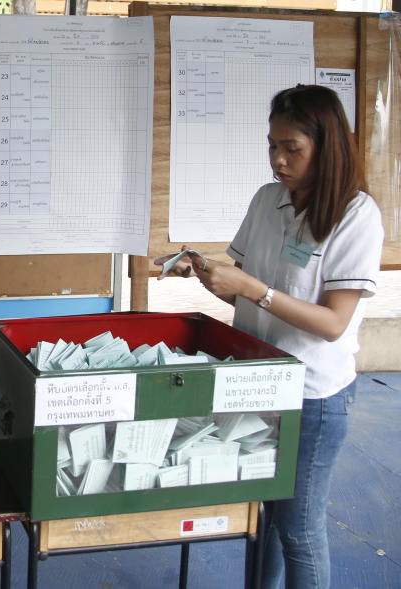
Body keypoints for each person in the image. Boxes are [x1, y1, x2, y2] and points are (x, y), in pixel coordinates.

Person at [155, 85, 383, 589]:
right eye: (272, 146)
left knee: (298, 529)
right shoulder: (268, 200)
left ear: (328, 147)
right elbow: (245, 291)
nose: (279, 160)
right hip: (256, 384)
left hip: (312, 396)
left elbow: (332, 323)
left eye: (292, 149)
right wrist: (204, 272)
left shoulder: (356, 215)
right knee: (264, 520)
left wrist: (254, 290)